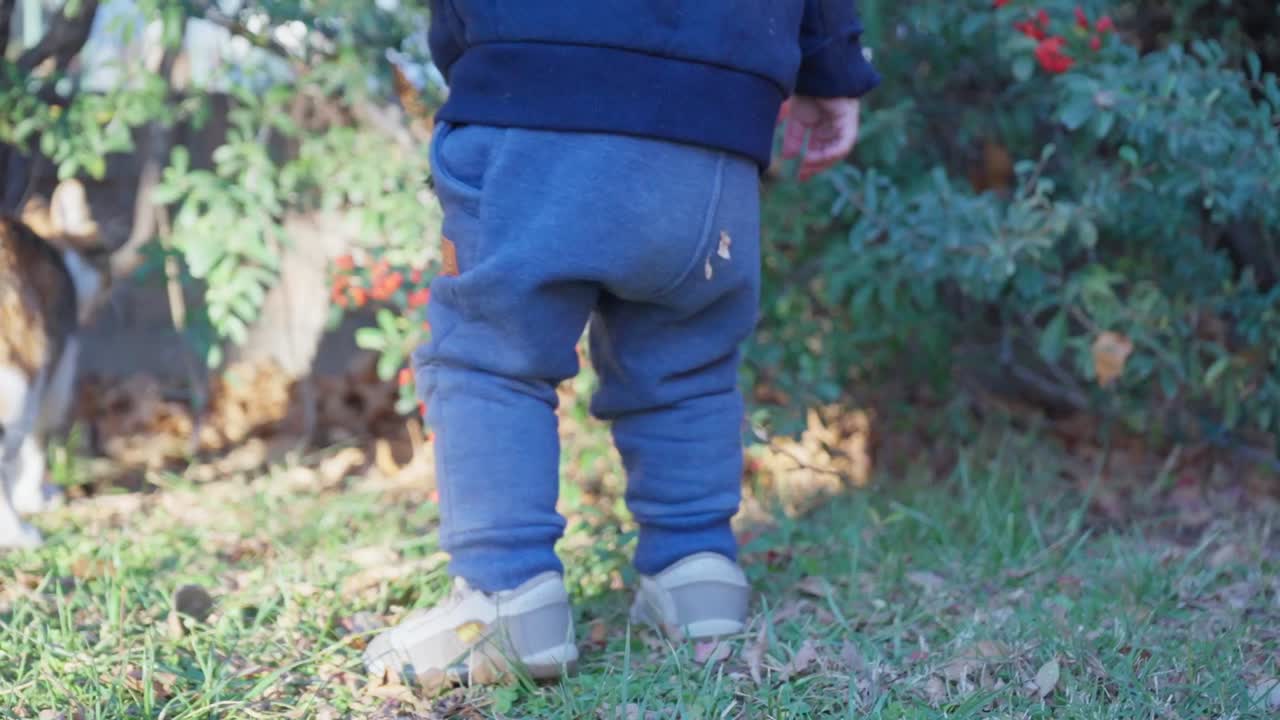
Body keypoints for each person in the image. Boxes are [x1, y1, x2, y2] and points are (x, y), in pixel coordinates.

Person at [364, 0, 879, 685]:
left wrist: (468, 52)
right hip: (714, 119)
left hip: (536, 84)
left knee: (492, 357)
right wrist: (831, 67)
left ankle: (505, 596)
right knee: (686, 359)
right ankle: (696, 576)